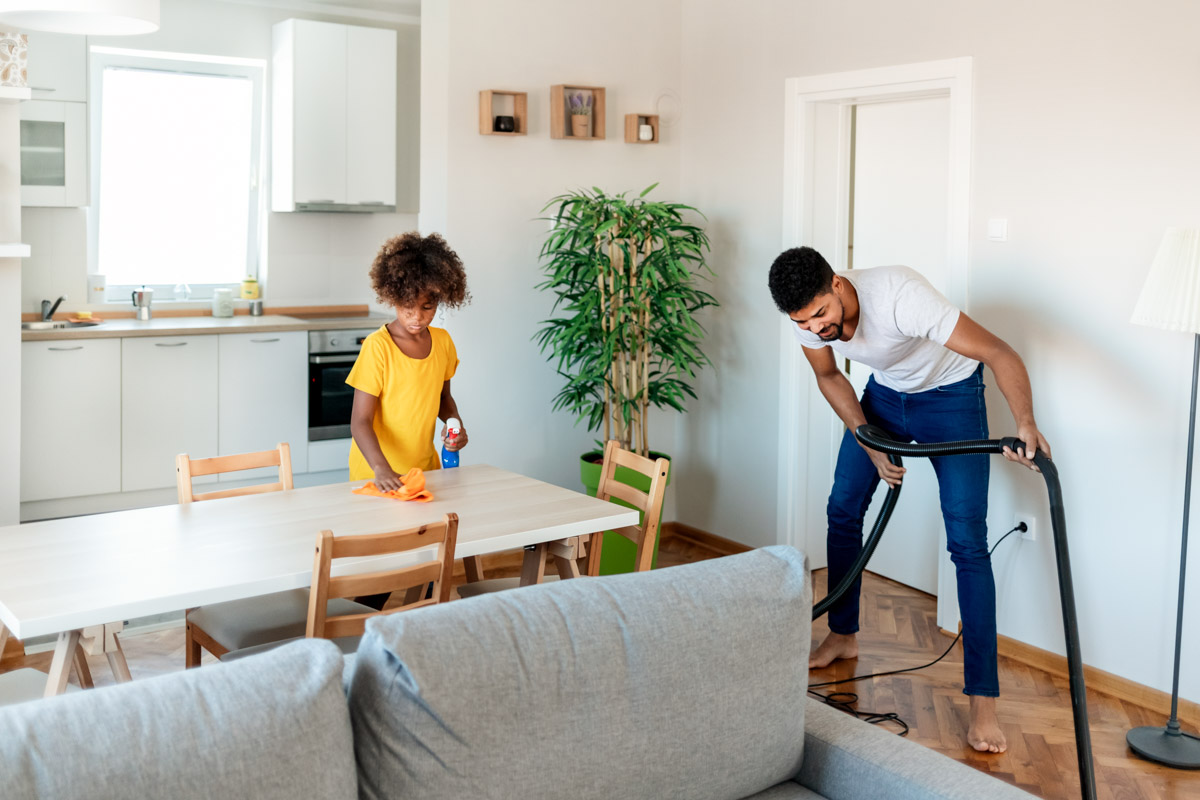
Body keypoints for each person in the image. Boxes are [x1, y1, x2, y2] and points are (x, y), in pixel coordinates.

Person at [768, 246, 1049, 755]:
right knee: (843, 508)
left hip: (952, 397)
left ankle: (984, 702)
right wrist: (867, 438)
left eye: (821, 315)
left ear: (837, 284)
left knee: (967, 542)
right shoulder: (805, 318)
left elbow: (1000, 353)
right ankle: (842, 633)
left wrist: (1026, 423)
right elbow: (829, 376)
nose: (816, 329)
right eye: (803, 323)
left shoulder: (900, 296)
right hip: (884, 398)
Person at [347, 232, 470, 606]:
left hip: (425, 472)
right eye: (407, 307)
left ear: (440, 300)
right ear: (392, 298)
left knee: (432, 566)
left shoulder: (444, 343)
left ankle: (419, 637)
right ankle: (355, 643)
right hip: (378, 475)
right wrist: (382, 471)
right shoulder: (378, 348)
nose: (417, 317)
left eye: (428, 307)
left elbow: (443, 400)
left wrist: (456, 427)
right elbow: (360, 422)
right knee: (380, 574)